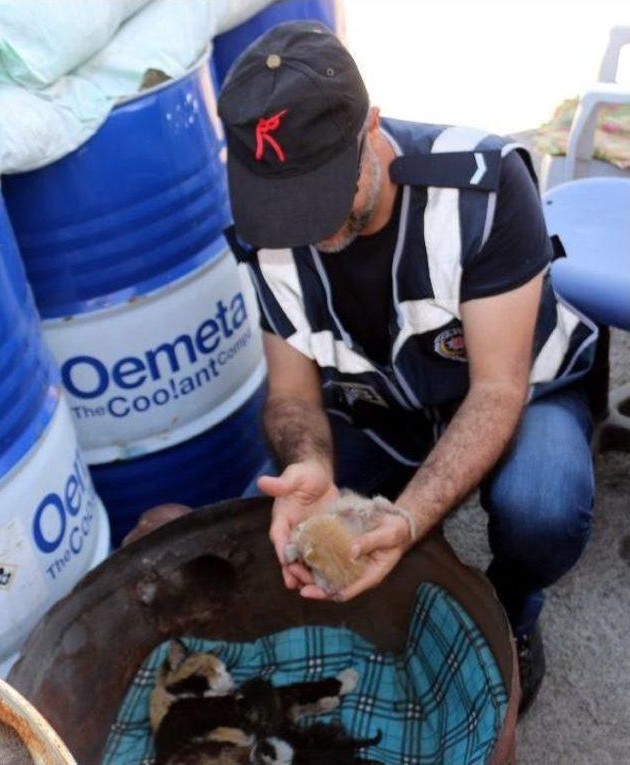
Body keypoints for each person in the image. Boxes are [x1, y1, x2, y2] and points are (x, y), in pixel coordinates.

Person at [217, 21, 597, 714]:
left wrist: (412, 515)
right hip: (381, 403)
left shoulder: (480, 189)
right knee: (277, 525)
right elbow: (294, 391)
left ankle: (513, 606)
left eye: (323, 190)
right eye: (285, 203)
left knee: (542, 505)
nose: (305, 225)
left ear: (373, 127)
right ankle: (380, 612)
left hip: (514, 387)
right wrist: (308, 464)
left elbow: (496, 389)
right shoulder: (267, 228)